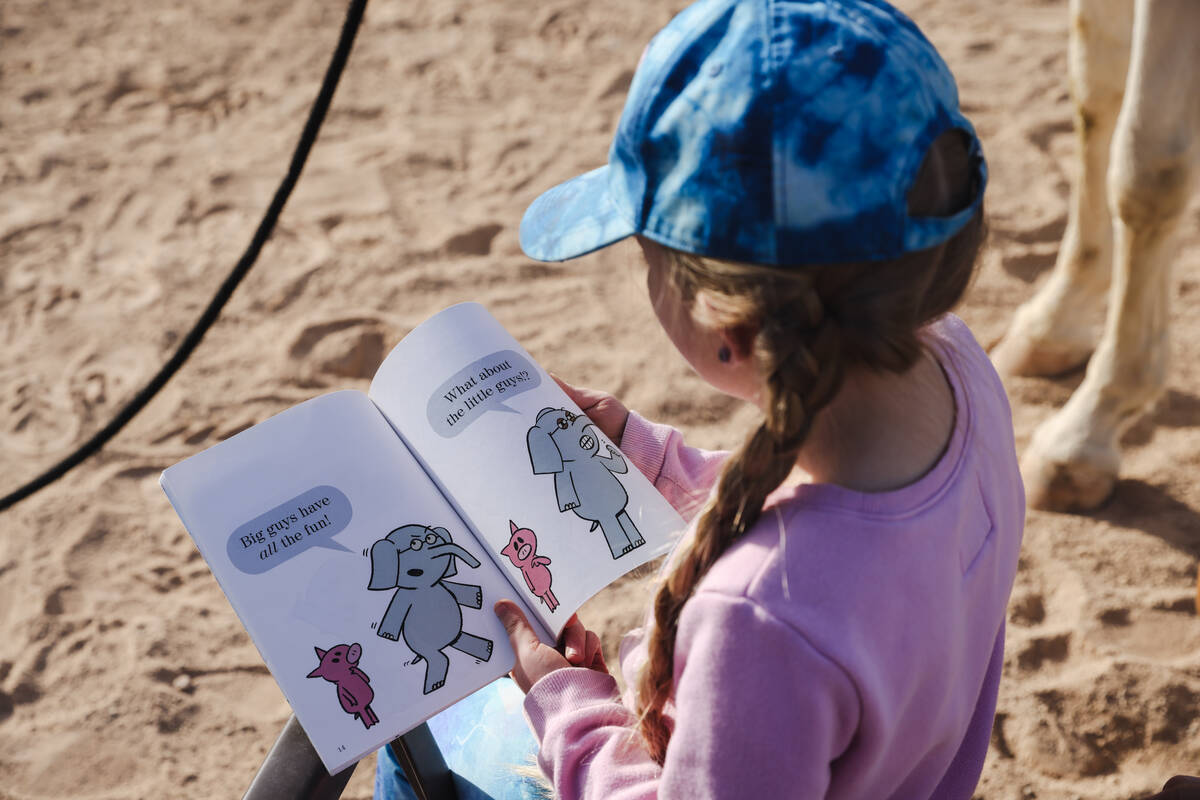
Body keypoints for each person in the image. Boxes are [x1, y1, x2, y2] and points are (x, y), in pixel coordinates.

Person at [378, 0, 1024, 797]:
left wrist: (570, 706)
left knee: (422, 740)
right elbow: (848, 533)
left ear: (728, 322)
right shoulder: (957, 367)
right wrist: (653, 457)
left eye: (647, 255)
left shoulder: (756, 619)